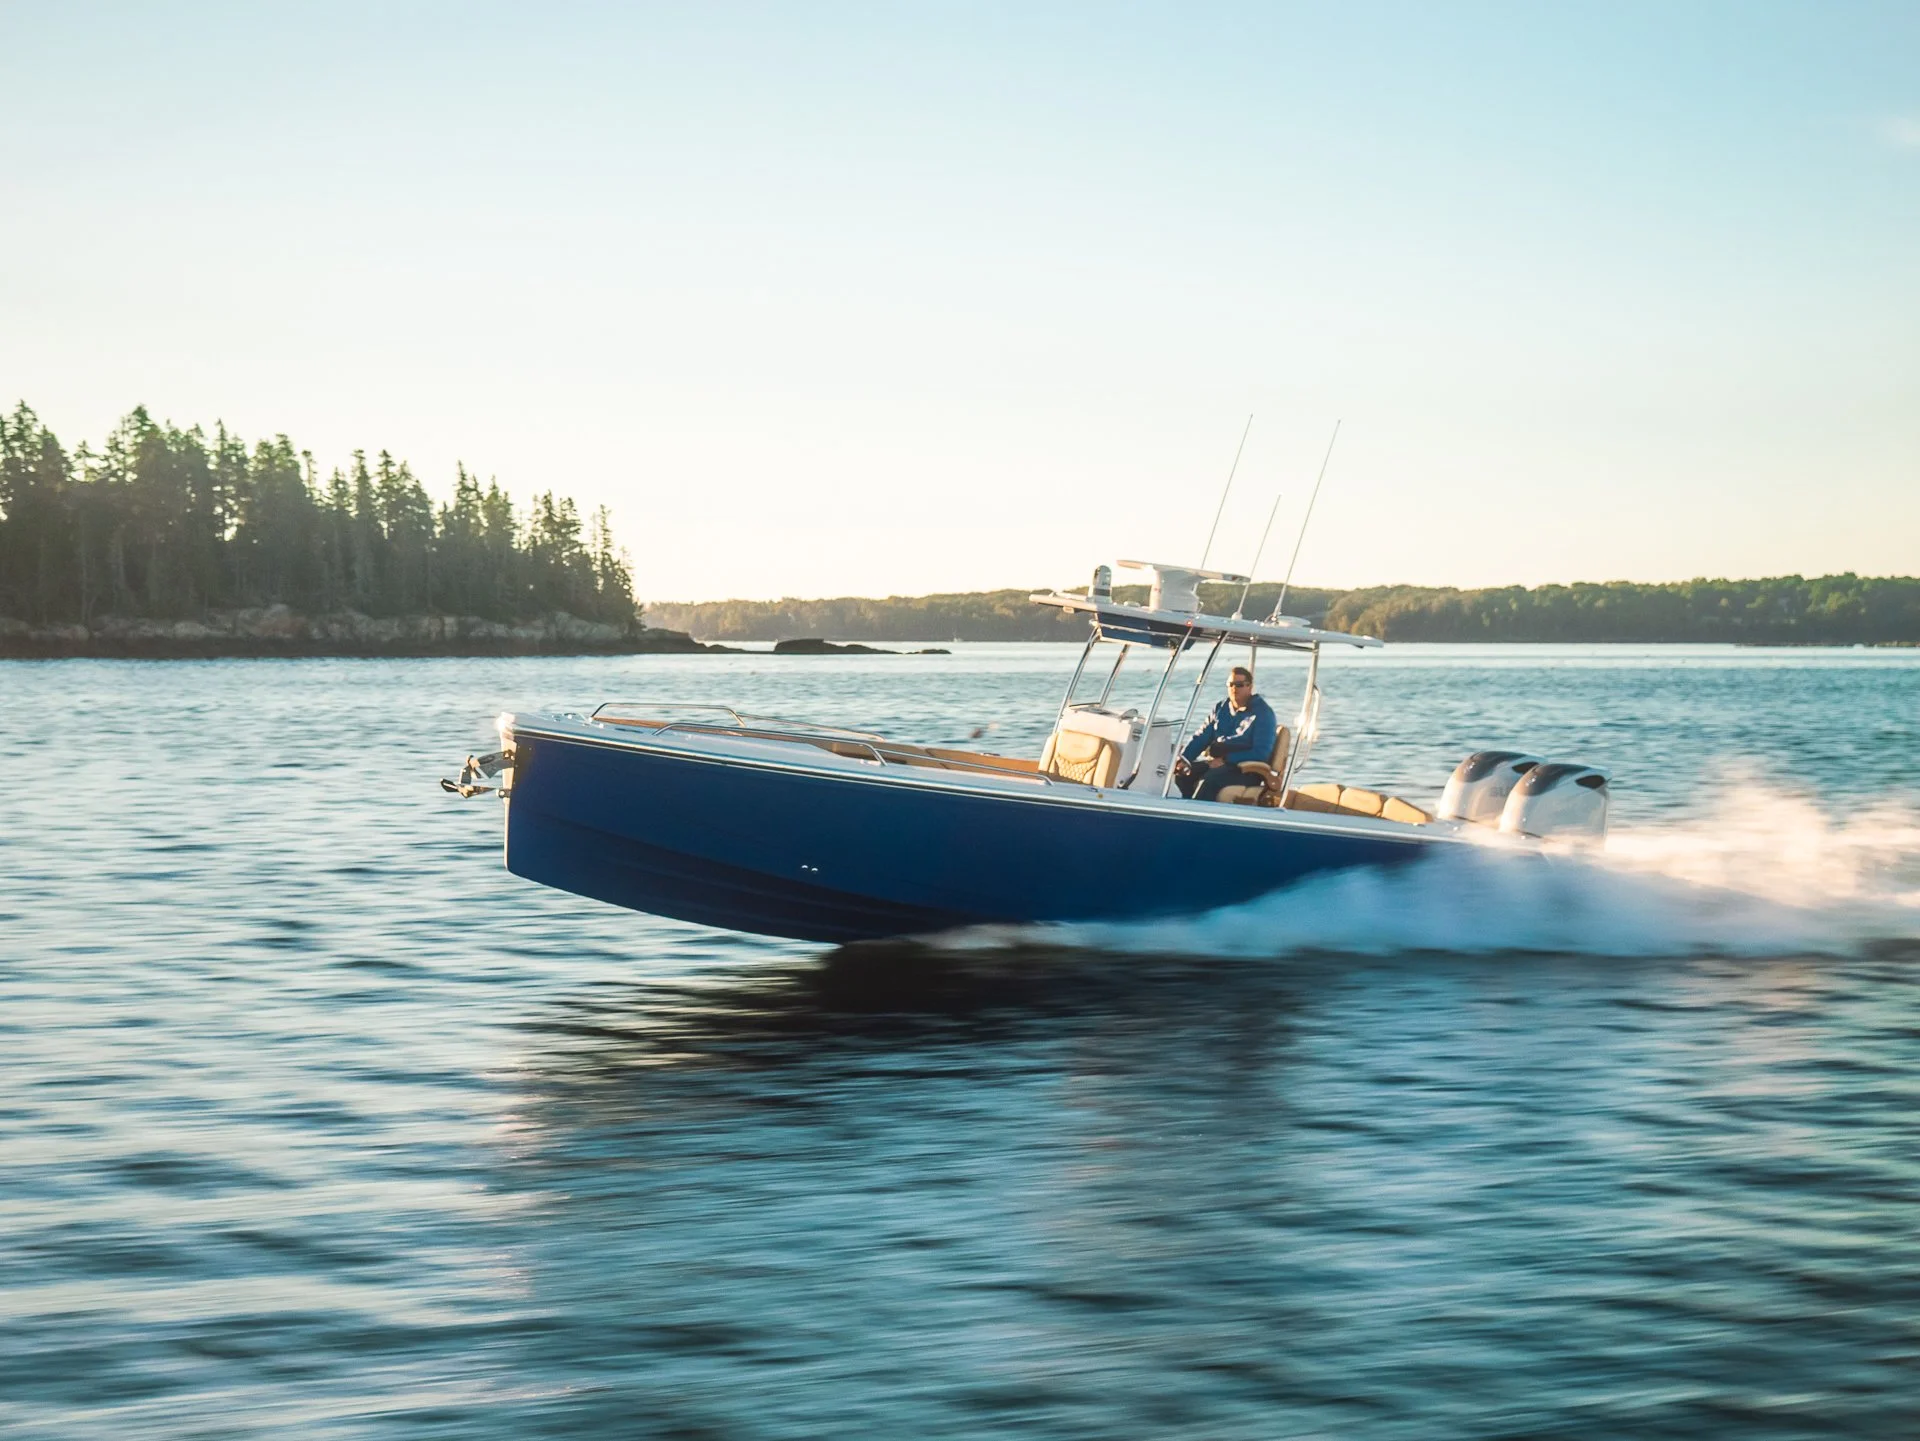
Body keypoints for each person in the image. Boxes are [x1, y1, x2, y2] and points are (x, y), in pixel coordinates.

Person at [1173, 665, 1277, 802]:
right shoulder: (1221, 708)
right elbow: (1202, 736)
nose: (1234, 689)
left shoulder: (1263, 713)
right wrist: (1184, 759)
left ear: (1250, 687)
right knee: (1183, 774)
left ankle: (1200, 817)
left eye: (1239, 685)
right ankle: (1183, 811)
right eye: (1231, 684)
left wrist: (1227, 759)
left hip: (1246, 770)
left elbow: (1261, 753)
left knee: (1210, 780)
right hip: (1219, 762)